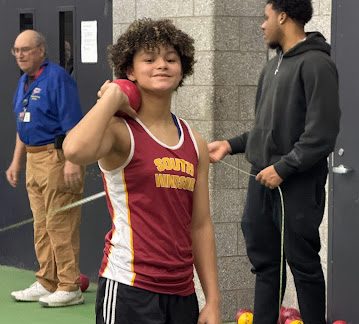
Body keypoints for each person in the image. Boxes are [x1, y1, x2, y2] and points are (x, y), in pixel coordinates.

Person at [63, 18, 221, 324]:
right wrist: (111, 99)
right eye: (149, 59)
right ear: (130, 70)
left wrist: (212, 300)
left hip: (181, 292)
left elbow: (200, 225)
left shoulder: (194, 142)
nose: (161, 65)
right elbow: (74, 150)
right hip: (129, 289)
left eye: (171, 59)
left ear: (182, 69)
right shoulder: (119, 132)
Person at [208, 0, 340, 323]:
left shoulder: (317, 65)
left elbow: (322, 133)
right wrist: (229, 144)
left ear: (283, 16)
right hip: (262, 181)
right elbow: (265, 130)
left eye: (265, 17)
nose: (261, 25)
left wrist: (284, 168)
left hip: (296, 183)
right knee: (266, 264)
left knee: (303, 265)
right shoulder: (272, 67)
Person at [6, 29, 85, 307]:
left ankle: (68, 285)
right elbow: (22, 123)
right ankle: (46, 280)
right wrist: (17, 161)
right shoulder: (25, 81)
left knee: (59, 223)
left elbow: (73, 124)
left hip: (56, 157)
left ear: (41, 50)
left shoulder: (57, 79)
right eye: (16, 51)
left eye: (25, 49)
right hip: (33, 158)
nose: (20, 55)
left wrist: (73, 160)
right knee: (41, 224)